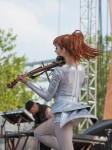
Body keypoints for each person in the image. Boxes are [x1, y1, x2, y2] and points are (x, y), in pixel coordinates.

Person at [17, 30, 99, 150]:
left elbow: (47, 97)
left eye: (56, 48)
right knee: (39, 132)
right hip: (74, 112)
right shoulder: (81, 69)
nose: (55, 51)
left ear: (63, 50)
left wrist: (27, 82)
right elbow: (73, 88)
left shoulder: (59, 71)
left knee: (65, 147)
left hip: (62, 114)